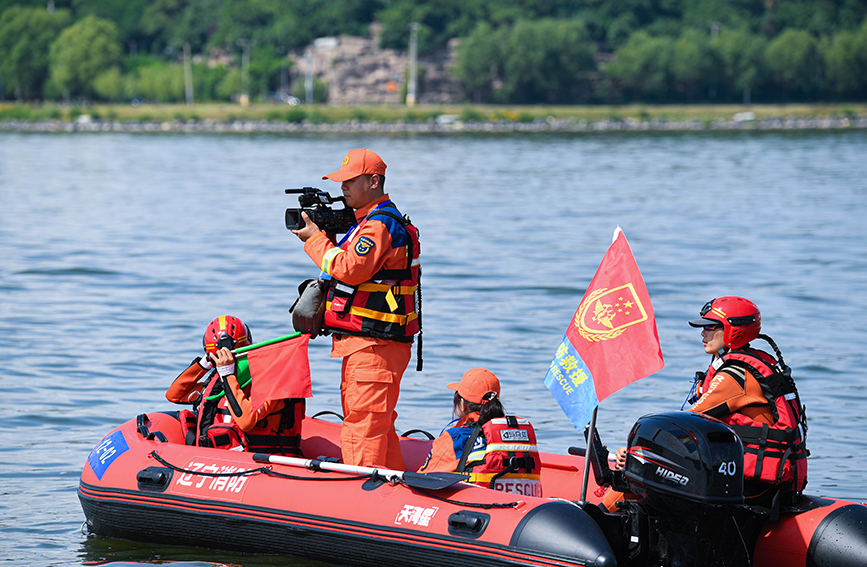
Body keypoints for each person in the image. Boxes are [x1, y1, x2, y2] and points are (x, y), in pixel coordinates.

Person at [610, 297, 807, 512]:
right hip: (764, 480)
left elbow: (683, 427)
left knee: (631, 483)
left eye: (711, 327)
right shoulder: (754, 362)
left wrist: (634, 451)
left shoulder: (736, 376)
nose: (703, 333)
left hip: (753, 485)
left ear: (734, 330)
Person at [291, 148, 420, 469]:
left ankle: (361, 497)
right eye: (341, 181)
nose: (343, 187)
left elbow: (350, 268)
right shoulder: (368, 223)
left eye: (350, 181)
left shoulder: (379, 226)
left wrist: (314, 240)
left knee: (362, 428)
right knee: (379, 428)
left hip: (375, 345)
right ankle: (390, 498)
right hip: (368, 343)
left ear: (374, 181)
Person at [166, 315, 305, 455]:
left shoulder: (270, 379)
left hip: (262, 463)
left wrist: (227, 374)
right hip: (219, 460)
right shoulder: (218, 384)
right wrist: (204, 364)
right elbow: (175, 395)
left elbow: (246, 421)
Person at [418, 368, 542, 497]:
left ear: (462, 404)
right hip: (520, 507)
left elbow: (424, 480)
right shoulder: (511, 435)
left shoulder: (456, 437)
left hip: (476, 508)